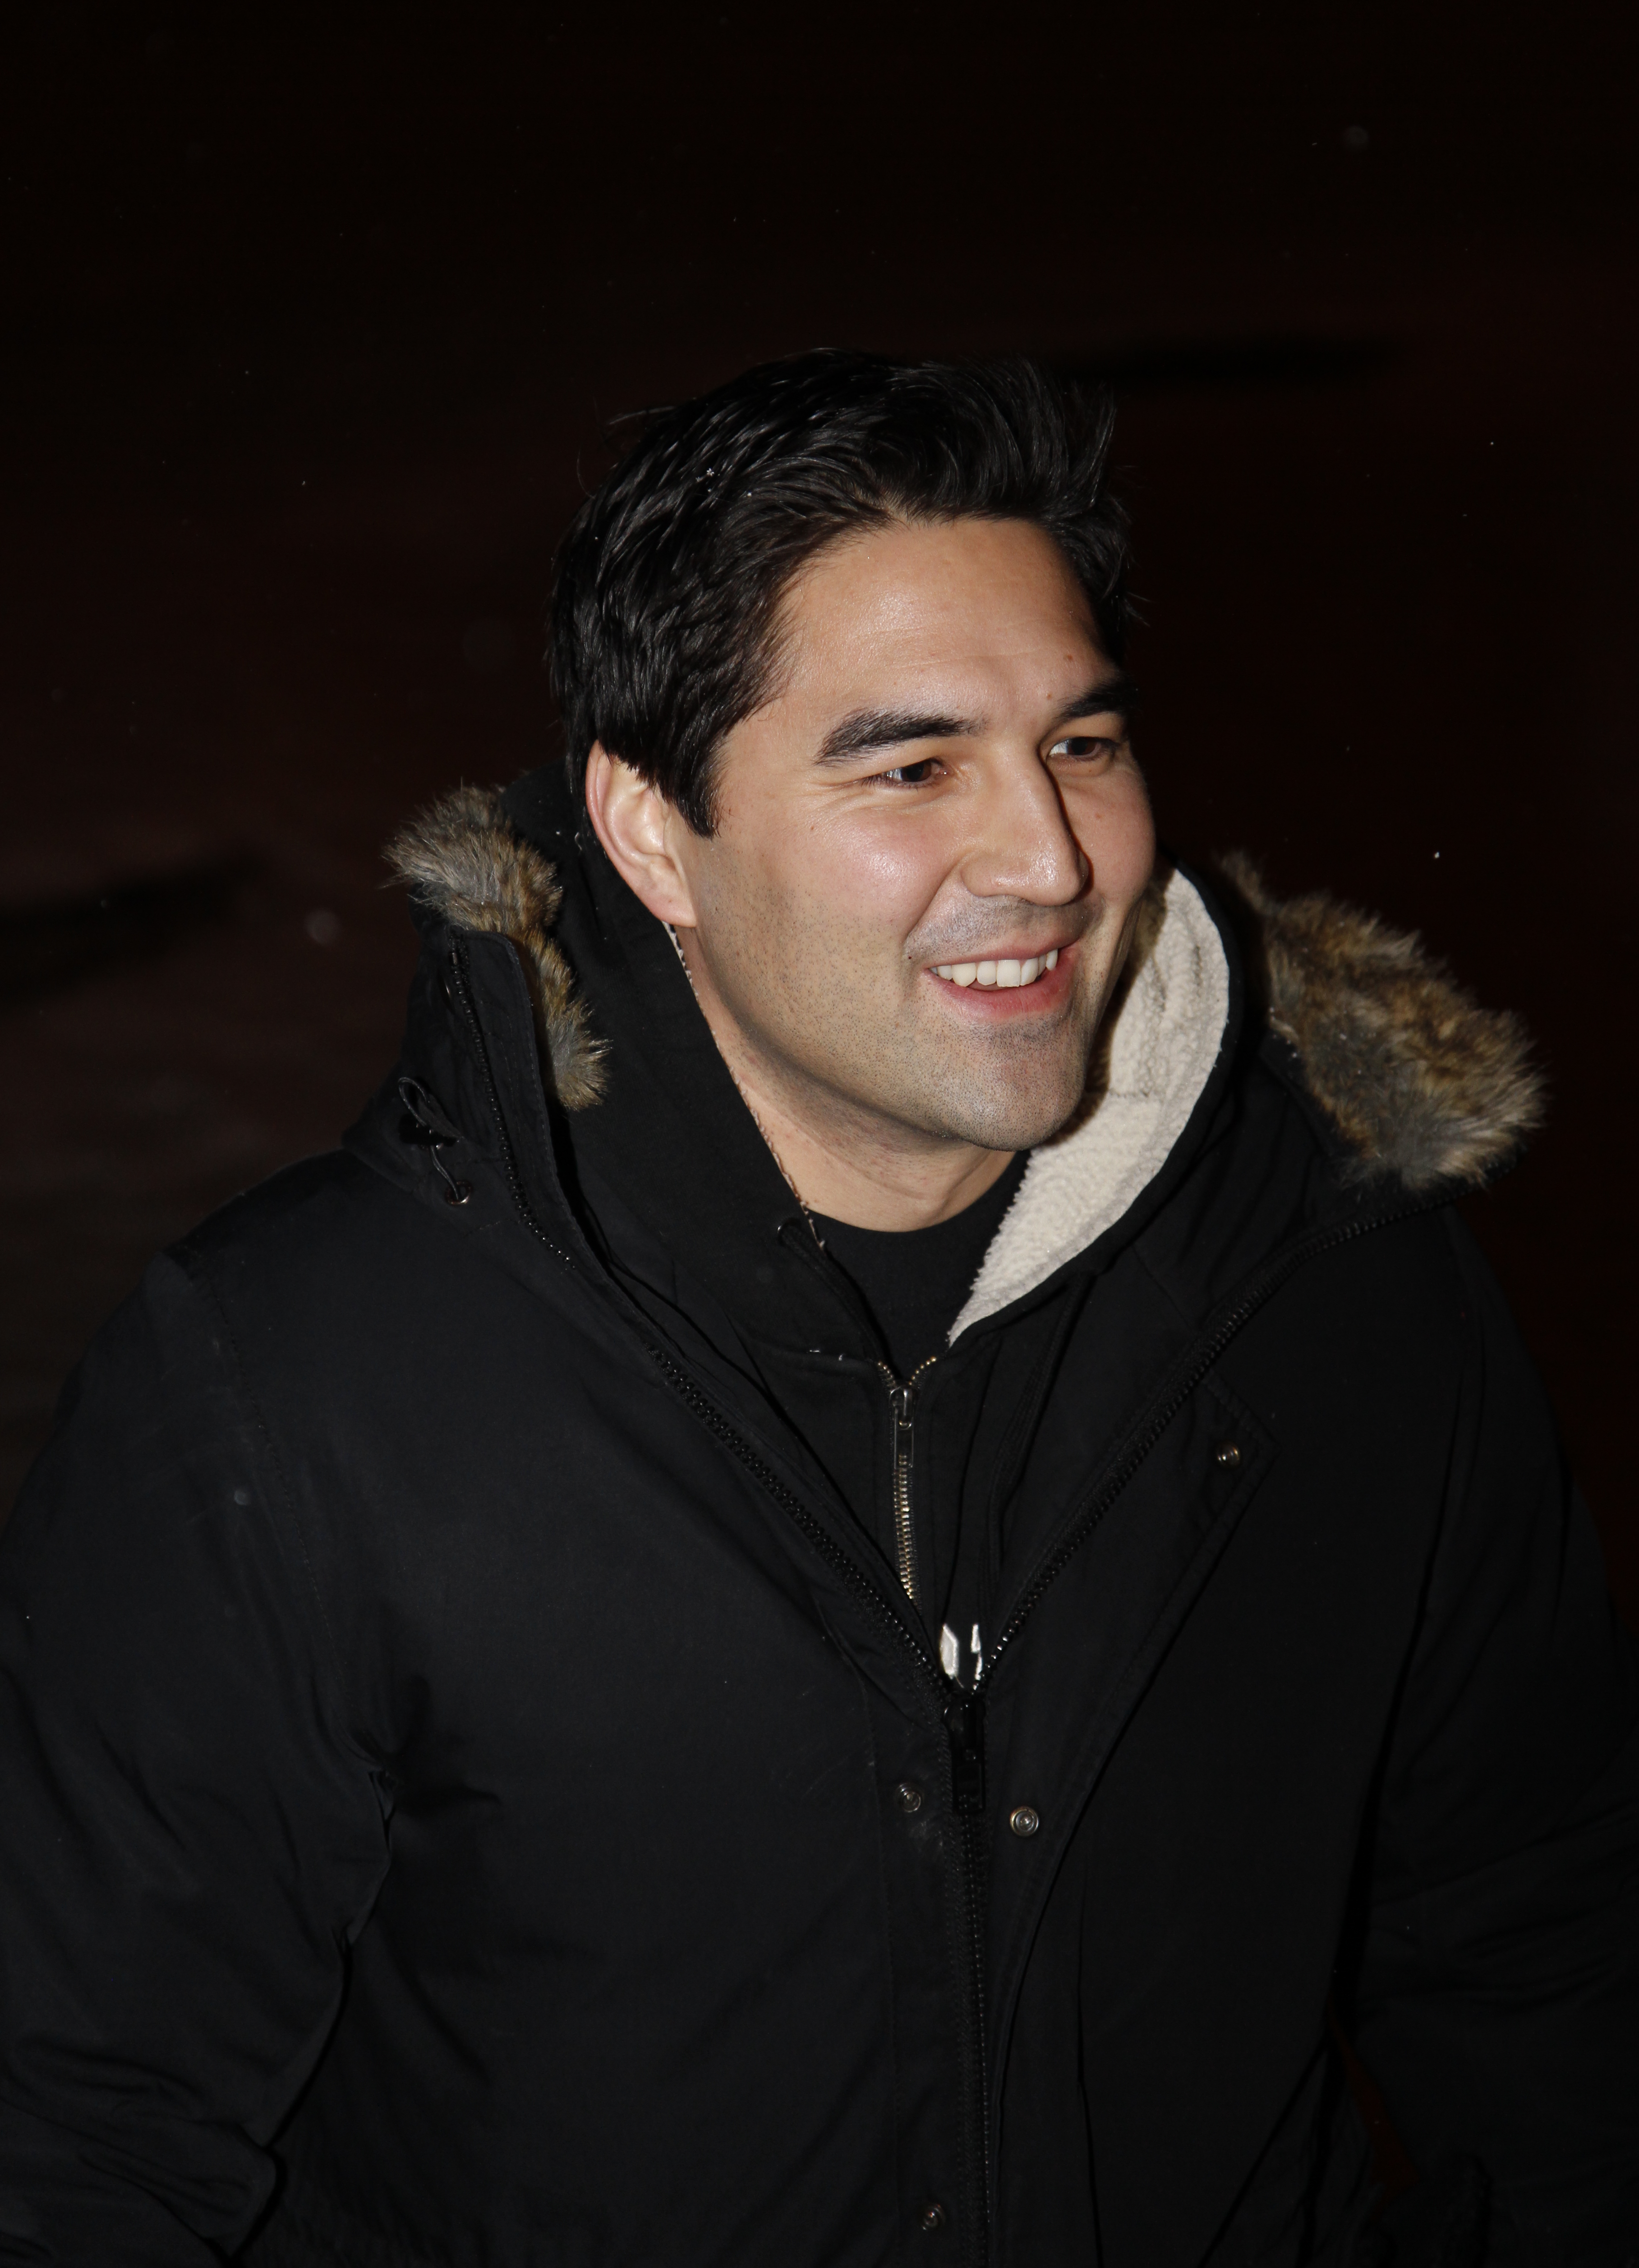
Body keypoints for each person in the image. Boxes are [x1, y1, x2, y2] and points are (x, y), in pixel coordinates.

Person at [0, 354, 1633, 2268]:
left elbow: (1546, 1962)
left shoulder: (1340, 1291)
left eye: (1084, 744)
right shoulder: (306, 1383)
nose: (1049, 859)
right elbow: (72, 2136)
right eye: (912, 767)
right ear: (651, 832)